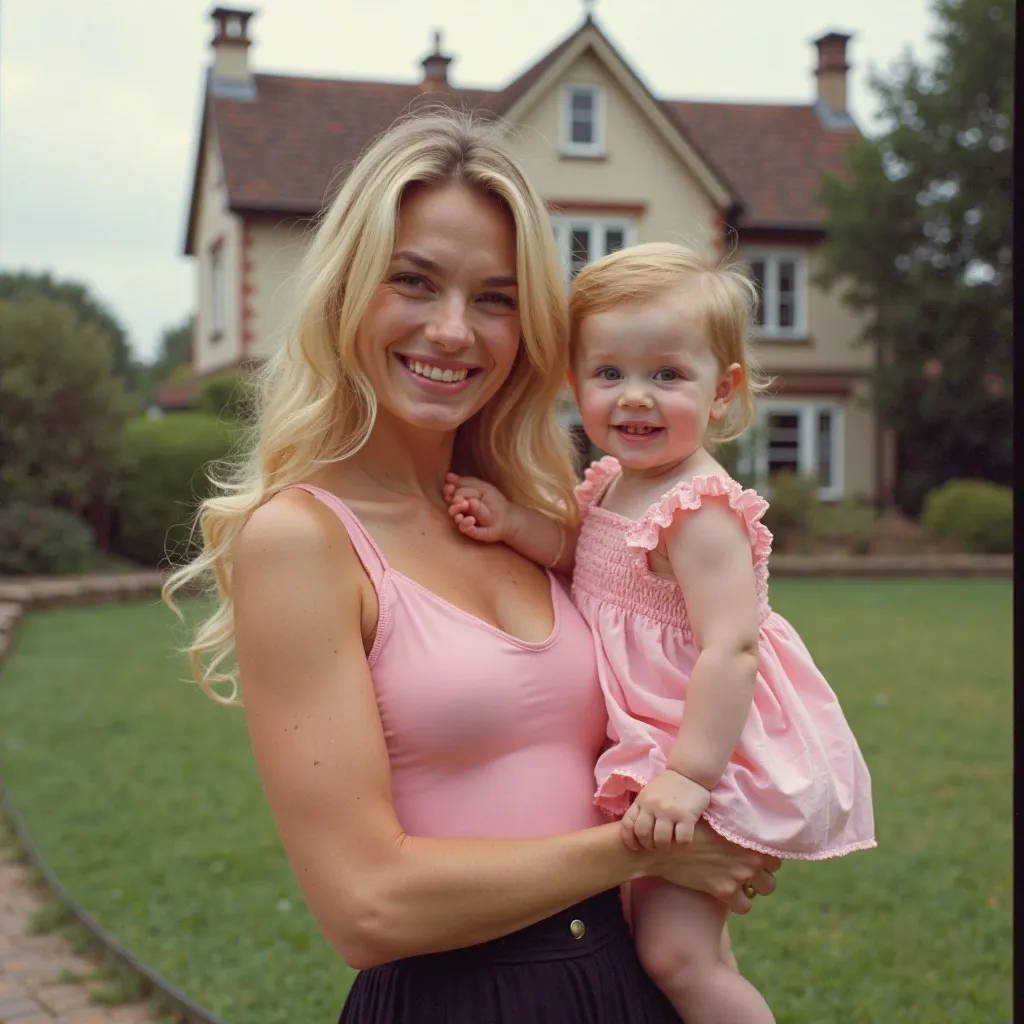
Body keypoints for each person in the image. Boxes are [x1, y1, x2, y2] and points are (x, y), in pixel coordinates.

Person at [163, 114, 781, 1023]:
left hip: (625, 982)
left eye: (494, 298)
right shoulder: (303, 540)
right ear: (345, 293)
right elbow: (367, 906)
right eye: (413, 282)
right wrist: (646, 848)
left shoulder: (539, 511)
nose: (453, 331)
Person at [443, 242, 877, 1023]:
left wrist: (687, 777)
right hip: (658, 740)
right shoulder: (614, 482)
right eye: (611, 374)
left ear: (722, 391)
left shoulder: (701, 508)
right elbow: (585, 559)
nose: (635, 398)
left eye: (667, 375)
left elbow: (731, 647)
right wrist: (513, 523)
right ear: (576, 385)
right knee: (681, 947)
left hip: (704, 748)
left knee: (674, 956)